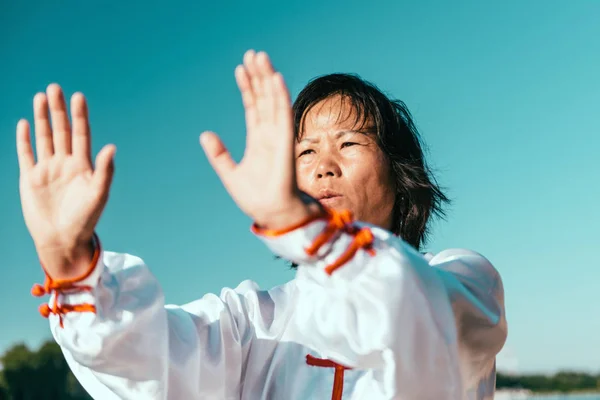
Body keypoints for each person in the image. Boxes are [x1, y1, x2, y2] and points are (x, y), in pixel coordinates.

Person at [16, 50, 507, 399]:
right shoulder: (254, 318)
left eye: (349, 144)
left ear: (401, 175)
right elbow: (152, 365)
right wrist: (72, 263)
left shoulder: (466, 281)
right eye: (306, 151)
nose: (323, 166)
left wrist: (301, 225)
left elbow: (414, 315)